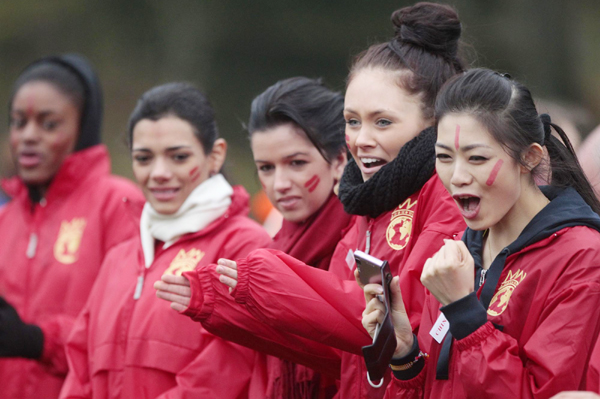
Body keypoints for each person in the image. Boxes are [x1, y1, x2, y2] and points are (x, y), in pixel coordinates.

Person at [158, 2, 466, 399]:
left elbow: (399, 327)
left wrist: (269, 281)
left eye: (382, 121)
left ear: (433, 122)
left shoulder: (442, 197)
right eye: (352, 121)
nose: (361, 138)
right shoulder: (368, 208)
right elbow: (345, 352)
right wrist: (223, 305)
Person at [361, 68, 600, 398]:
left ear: (530, 157)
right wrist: (405, 355)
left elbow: (545, 392)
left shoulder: (584, 258)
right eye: (444, 157)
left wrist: (465, 313)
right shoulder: (458, 251)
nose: (457, 176)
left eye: (476, 158)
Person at [59, 82, 271, 398]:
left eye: (178, 157)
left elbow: (228, 370)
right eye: (144, 158)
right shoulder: (120, 257)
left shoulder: (245, 246)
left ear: (215, 156)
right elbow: (80, 370)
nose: (159, 172)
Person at [155, 77, 353, 399]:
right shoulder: (272, 248)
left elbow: (356, 351)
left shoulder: (360, 241)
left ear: (340, 161)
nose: (280, 183)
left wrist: (223, 305)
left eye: (296, 163)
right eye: (266, 168)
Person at [0, 54, 143, 399]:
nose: (29, 136)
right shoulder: (5, 218)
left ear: (83, 129)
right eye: (19, 122)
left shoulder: (118, 203)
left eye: (49, 124)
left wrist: (38, 341)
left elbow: (131, 333)